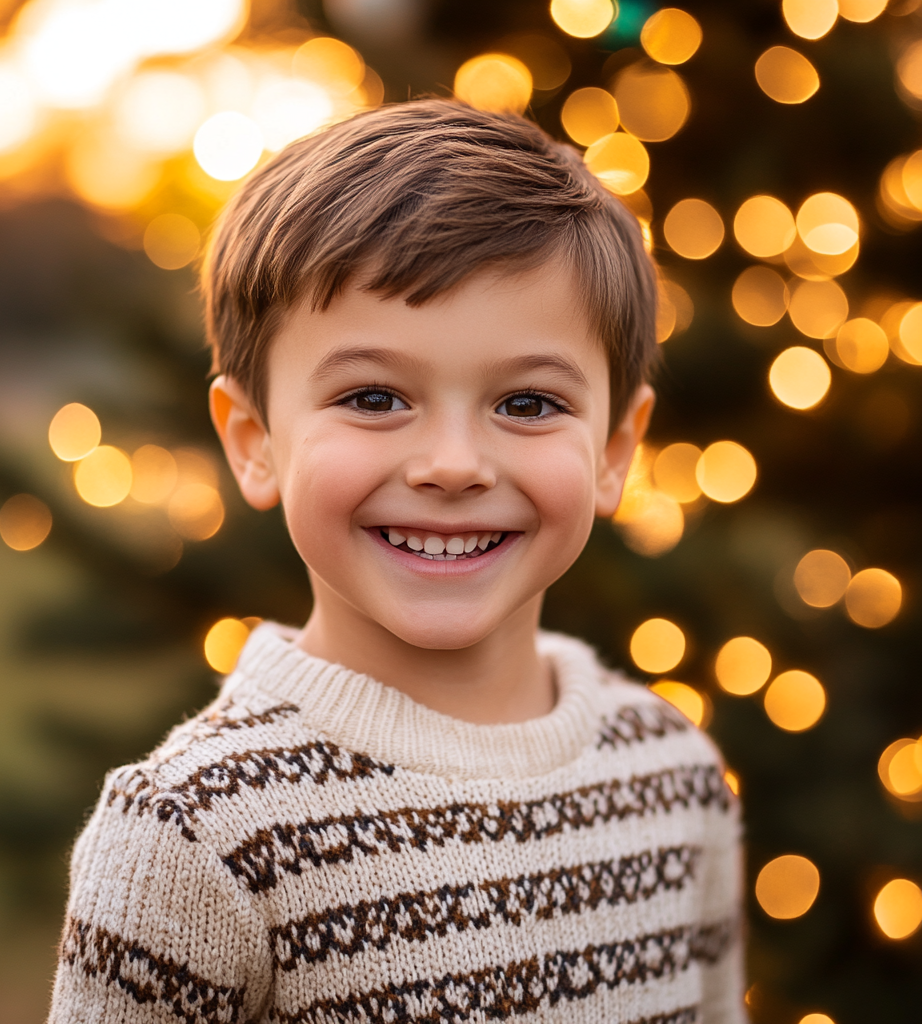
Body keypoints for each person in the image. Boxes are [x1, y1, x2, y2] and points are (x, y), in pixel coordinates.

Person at [48, 99, 745, 1023]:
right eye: (375, 396)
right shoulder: (193, 834)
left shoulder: (671, 775)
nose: (451, 465)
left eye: (529, 404)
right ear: (255, 441)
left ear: (616, 448)